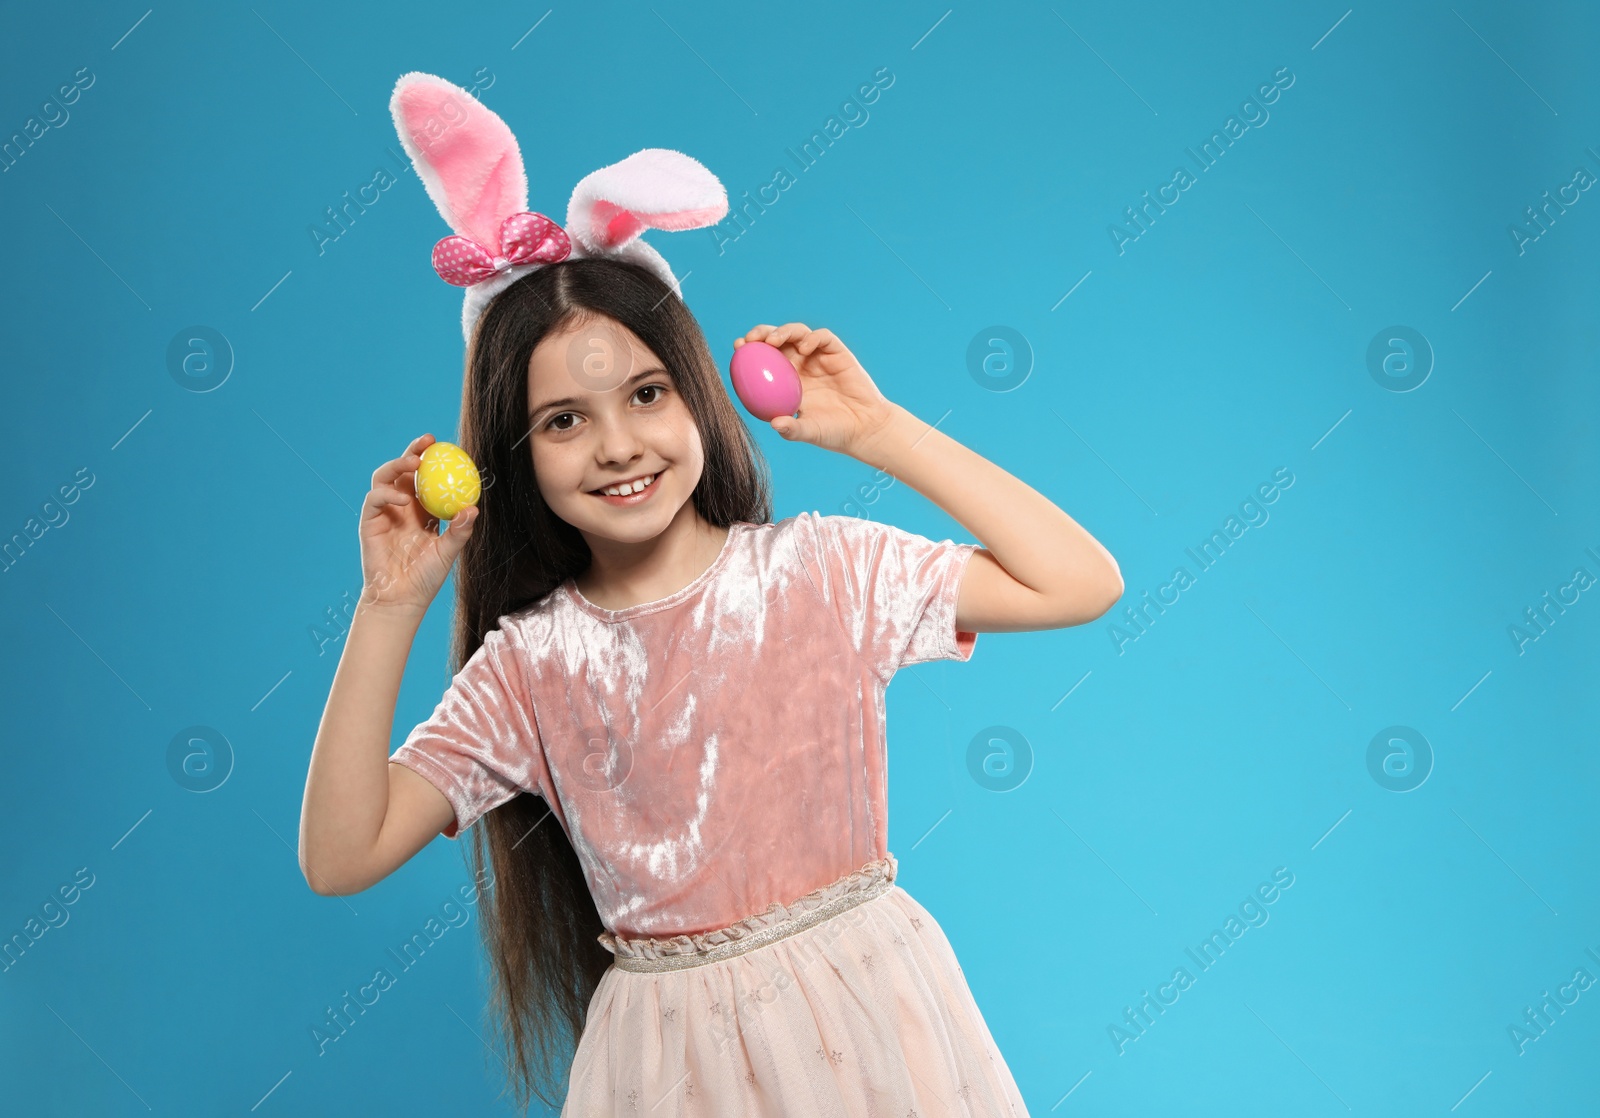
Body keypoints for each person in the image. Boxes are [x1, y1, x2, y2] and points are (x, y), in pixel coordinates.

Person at [299, 73, 1123, 1117]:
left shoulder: (822, 569)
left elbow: (1080, 580)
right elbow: (338, 852)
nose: (617, 445)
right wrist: (389, 604)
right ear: (514, 456)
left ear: (694, 390)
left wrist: (878, 432)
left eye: (645, 393)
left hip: (871, 1025)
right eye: (562, 420)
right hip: (670, 1069)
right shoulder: (530, 664)